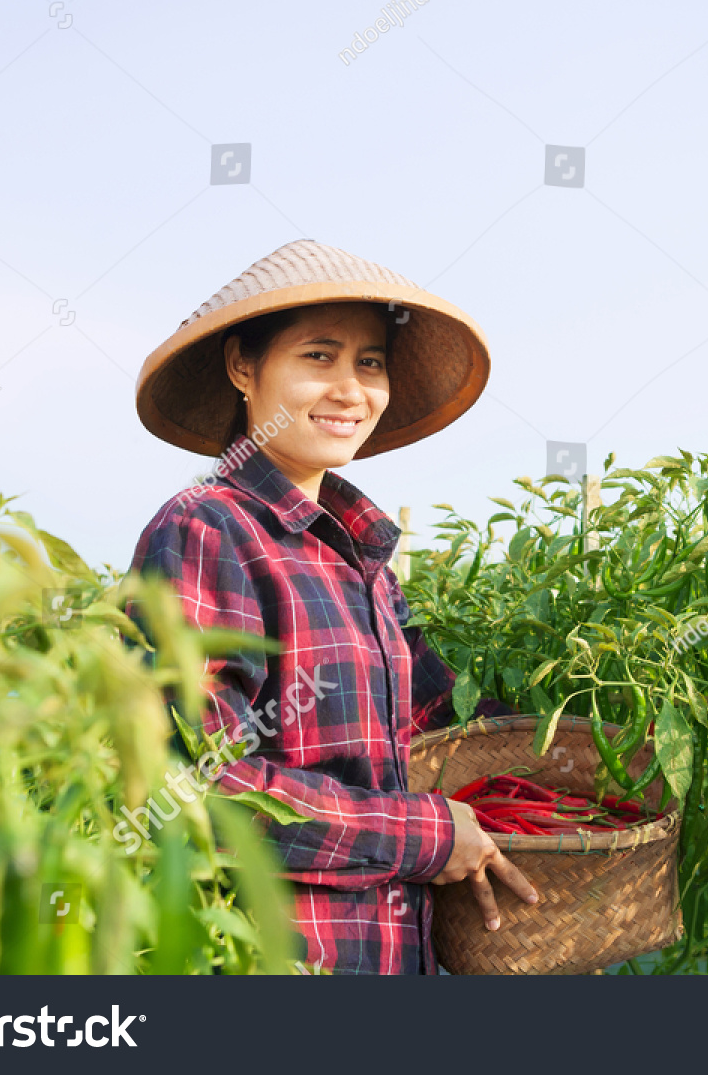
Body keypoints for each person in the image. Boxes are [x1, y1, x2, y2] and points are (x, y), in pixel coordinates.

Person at [129, 239, 537, 974]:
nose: (351, 389)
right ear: (243, 367)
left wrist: (581, 754)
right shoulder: (207, 529)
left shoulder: (365, 559)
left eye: (369, 362)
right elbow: (195, 785)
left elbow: (443, 733)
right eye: (318, 357)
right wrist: (427, 836)